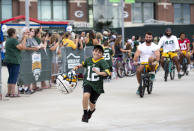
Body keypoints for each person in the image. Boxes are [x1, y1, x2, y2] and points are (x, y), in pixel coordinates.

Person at [73, 45, 110, 123]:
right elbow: (83, 64)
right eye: (95, 51)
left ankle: (91, 111)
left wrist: (99, 72)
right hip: (88, 82)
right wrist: (77, 66)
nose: (97, 53)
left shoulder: (102, 61)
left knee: (92, 104)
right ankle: (85, 113)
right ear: (93, 51)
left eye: (99, 52)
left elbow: (107, 72)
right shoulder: (89, 60)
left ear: (102, 54)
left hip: (97, 86)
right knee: (85, 95)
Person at [4, 28, 26, 97]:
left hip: (8, 60)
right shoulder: (13, 40)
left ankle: (9, 92)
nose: (16, 34)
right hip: (14, 60)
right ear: (13, 33)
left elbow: (18, 44)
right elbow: (22, 47)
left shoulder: (8, 40)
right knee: (14, 76)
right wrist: (25, 39)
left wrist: (22, 39)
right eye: (16, 33)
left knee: (10, 76)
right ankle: (13, 93)